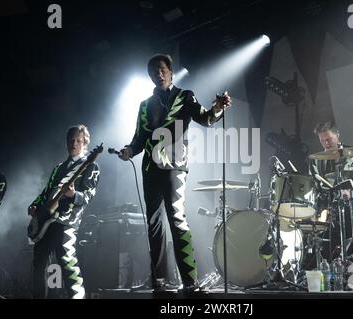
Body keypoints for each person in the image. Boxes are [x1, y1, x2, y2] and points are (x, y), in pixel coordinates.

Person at [119, 54, 231, 292]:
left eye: (161, 70)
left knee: (177, 219)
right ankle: (159, 281)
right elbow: (139, 138)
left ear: (170, 71)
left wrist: (218, 107)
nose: (157, 74)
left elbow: (207, 119)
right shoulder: (144, 105)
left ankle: (190, 281)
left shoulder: (185, 96)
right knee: (154, 223)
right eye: (153, 72)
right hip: (150, 167)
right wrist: (129, 150)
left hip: (175, 166)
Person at [28, 125, 100, 299]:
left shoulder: (91, 166)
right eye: (71, 139)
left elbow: (89, 196)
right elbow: (45, 193)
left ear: (85, 143)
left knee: (67, 261)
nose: (74, 143)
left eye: (78, 140)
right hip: (46, 221)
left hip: (67, 222)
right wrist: (35, 205)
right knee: (39, 265)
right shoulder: (58, 168)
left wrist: (74, 194)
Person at [309, 121, 353, 259]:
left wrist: (352, 193)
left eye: (329, 139)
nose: (326, 143)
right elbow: (314, 186)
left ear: (337, 134)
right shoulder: (316, 160)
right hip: (329, 211)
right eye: (322, 141)